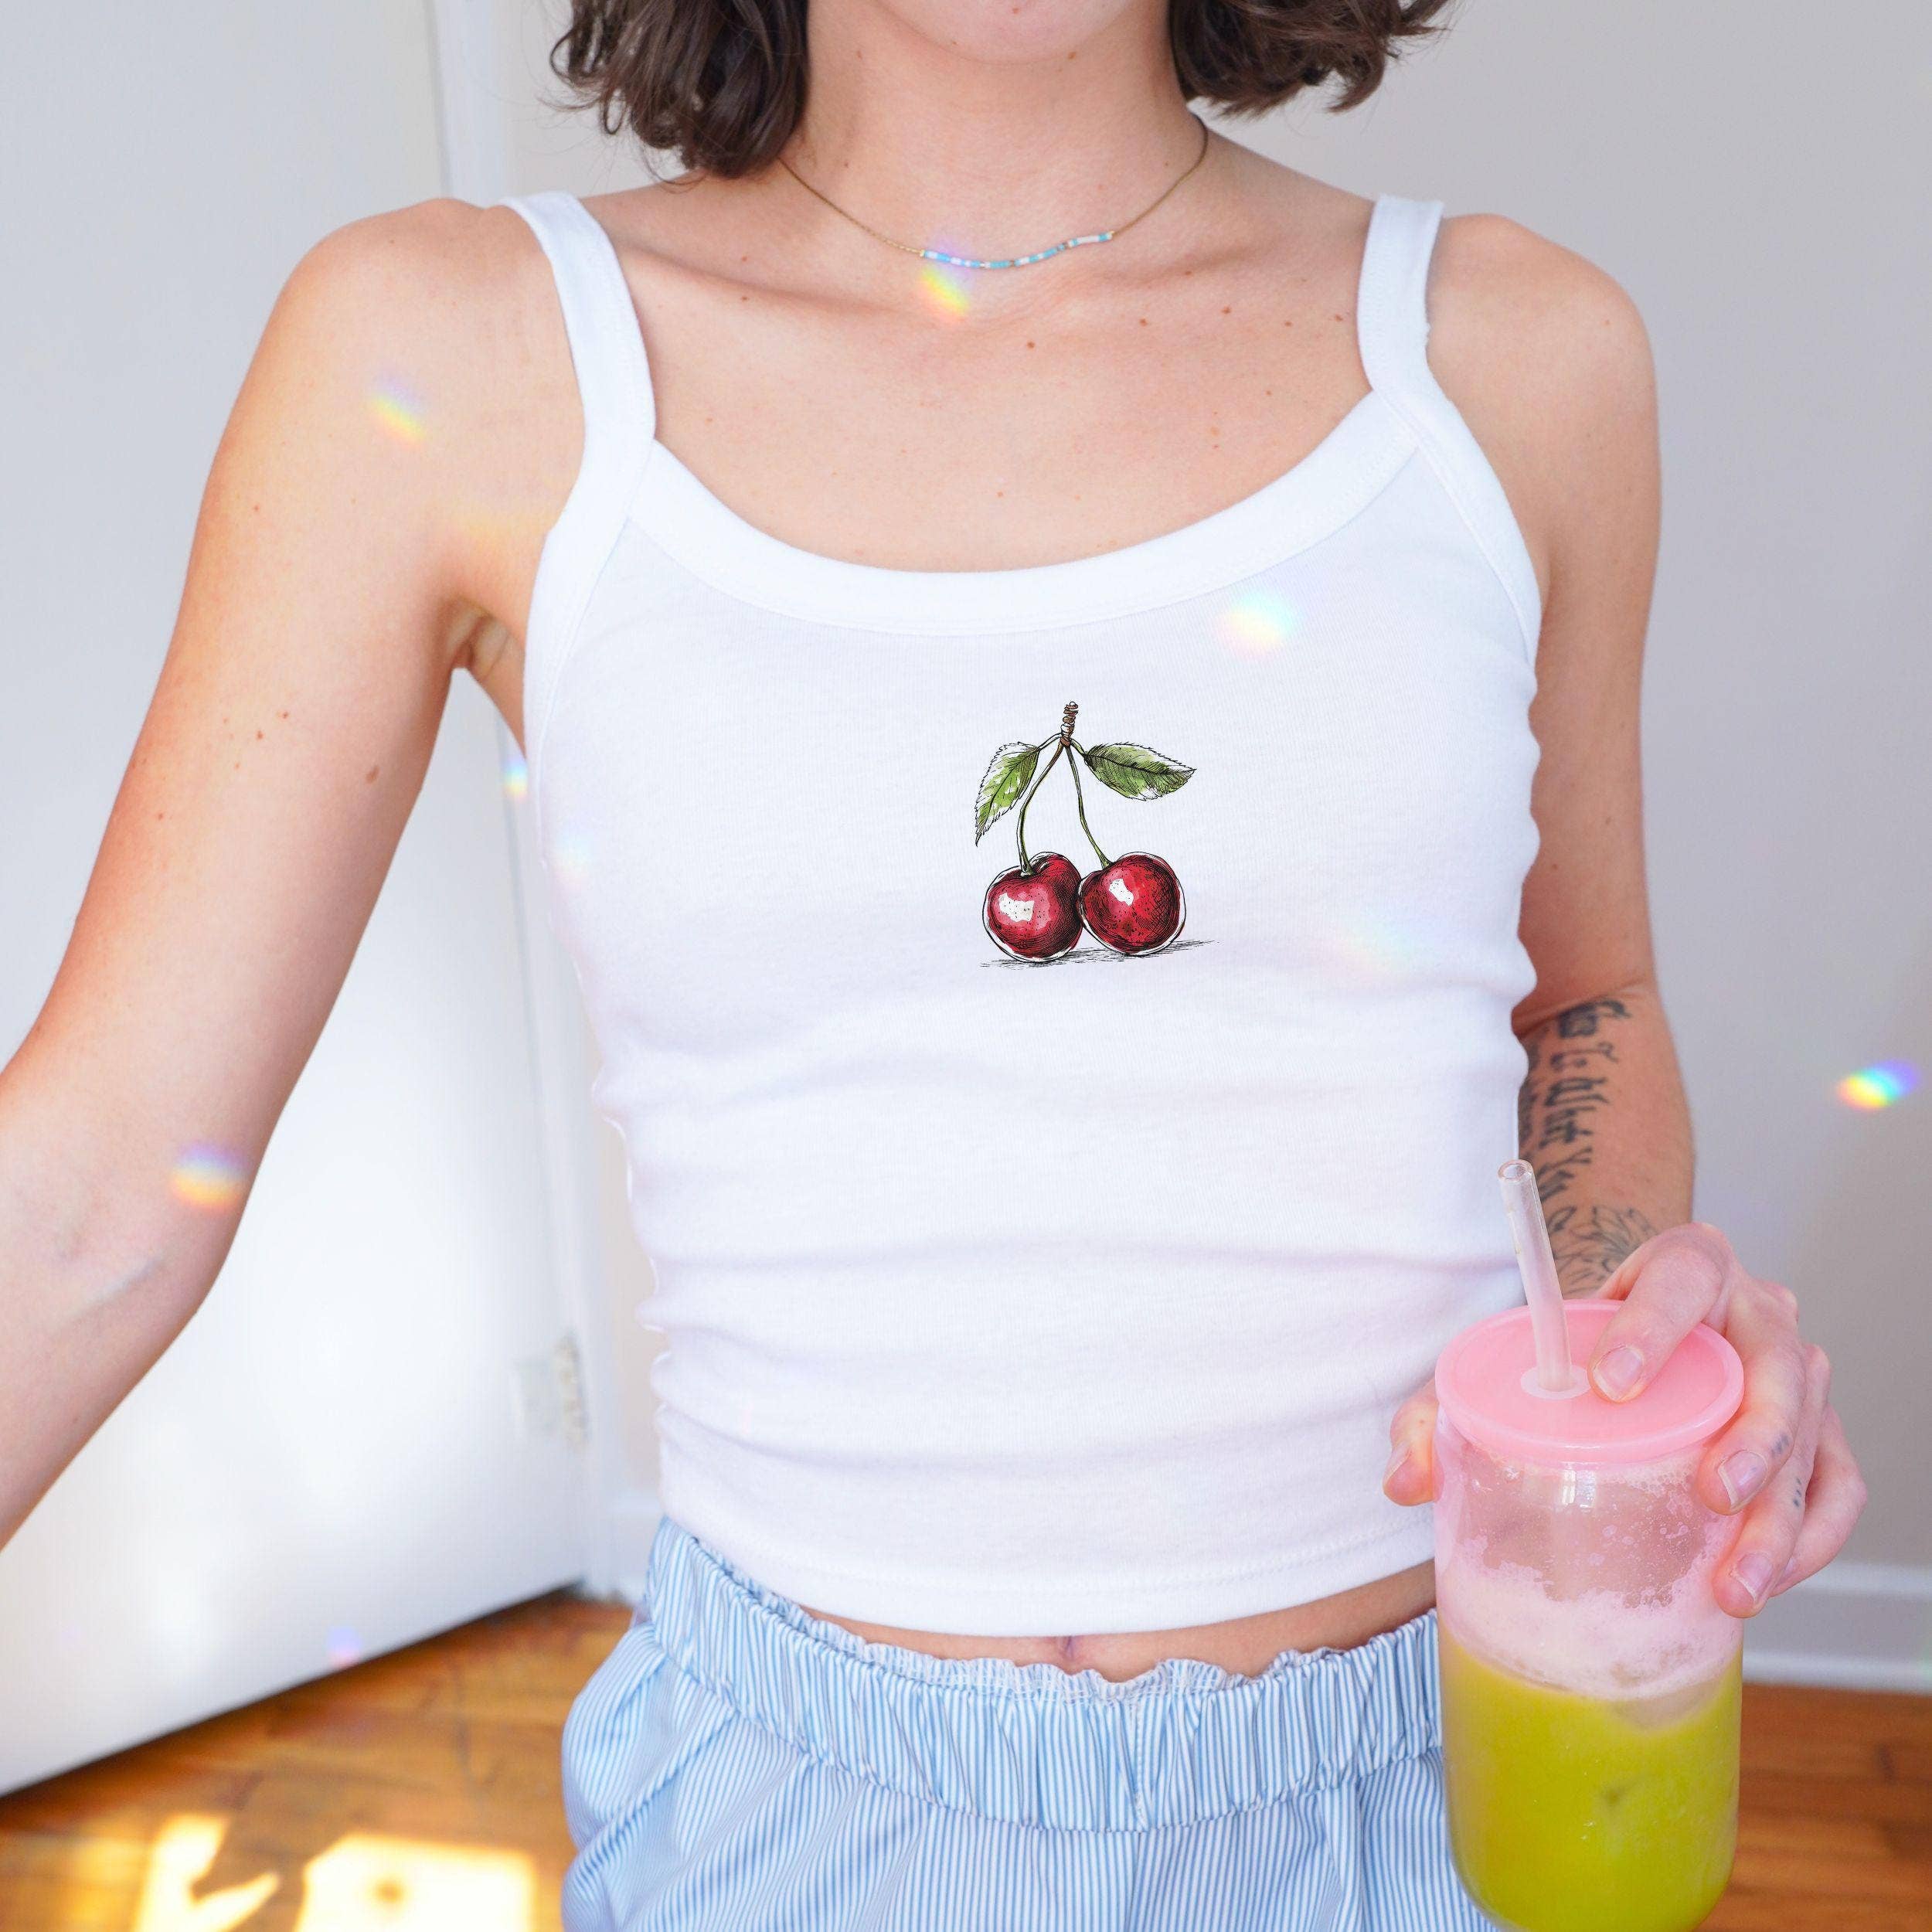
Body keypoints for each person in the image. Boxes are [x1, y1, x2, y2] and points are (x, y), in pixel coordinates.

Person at [2, 0, 1866, 1926]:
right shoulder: (449, 356)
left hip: (1445, 1782)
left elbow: (1582, 1003)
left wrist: (1620, 1347)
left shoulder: (1511, 354)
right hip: (801, 1821)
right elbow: (83, 1201)